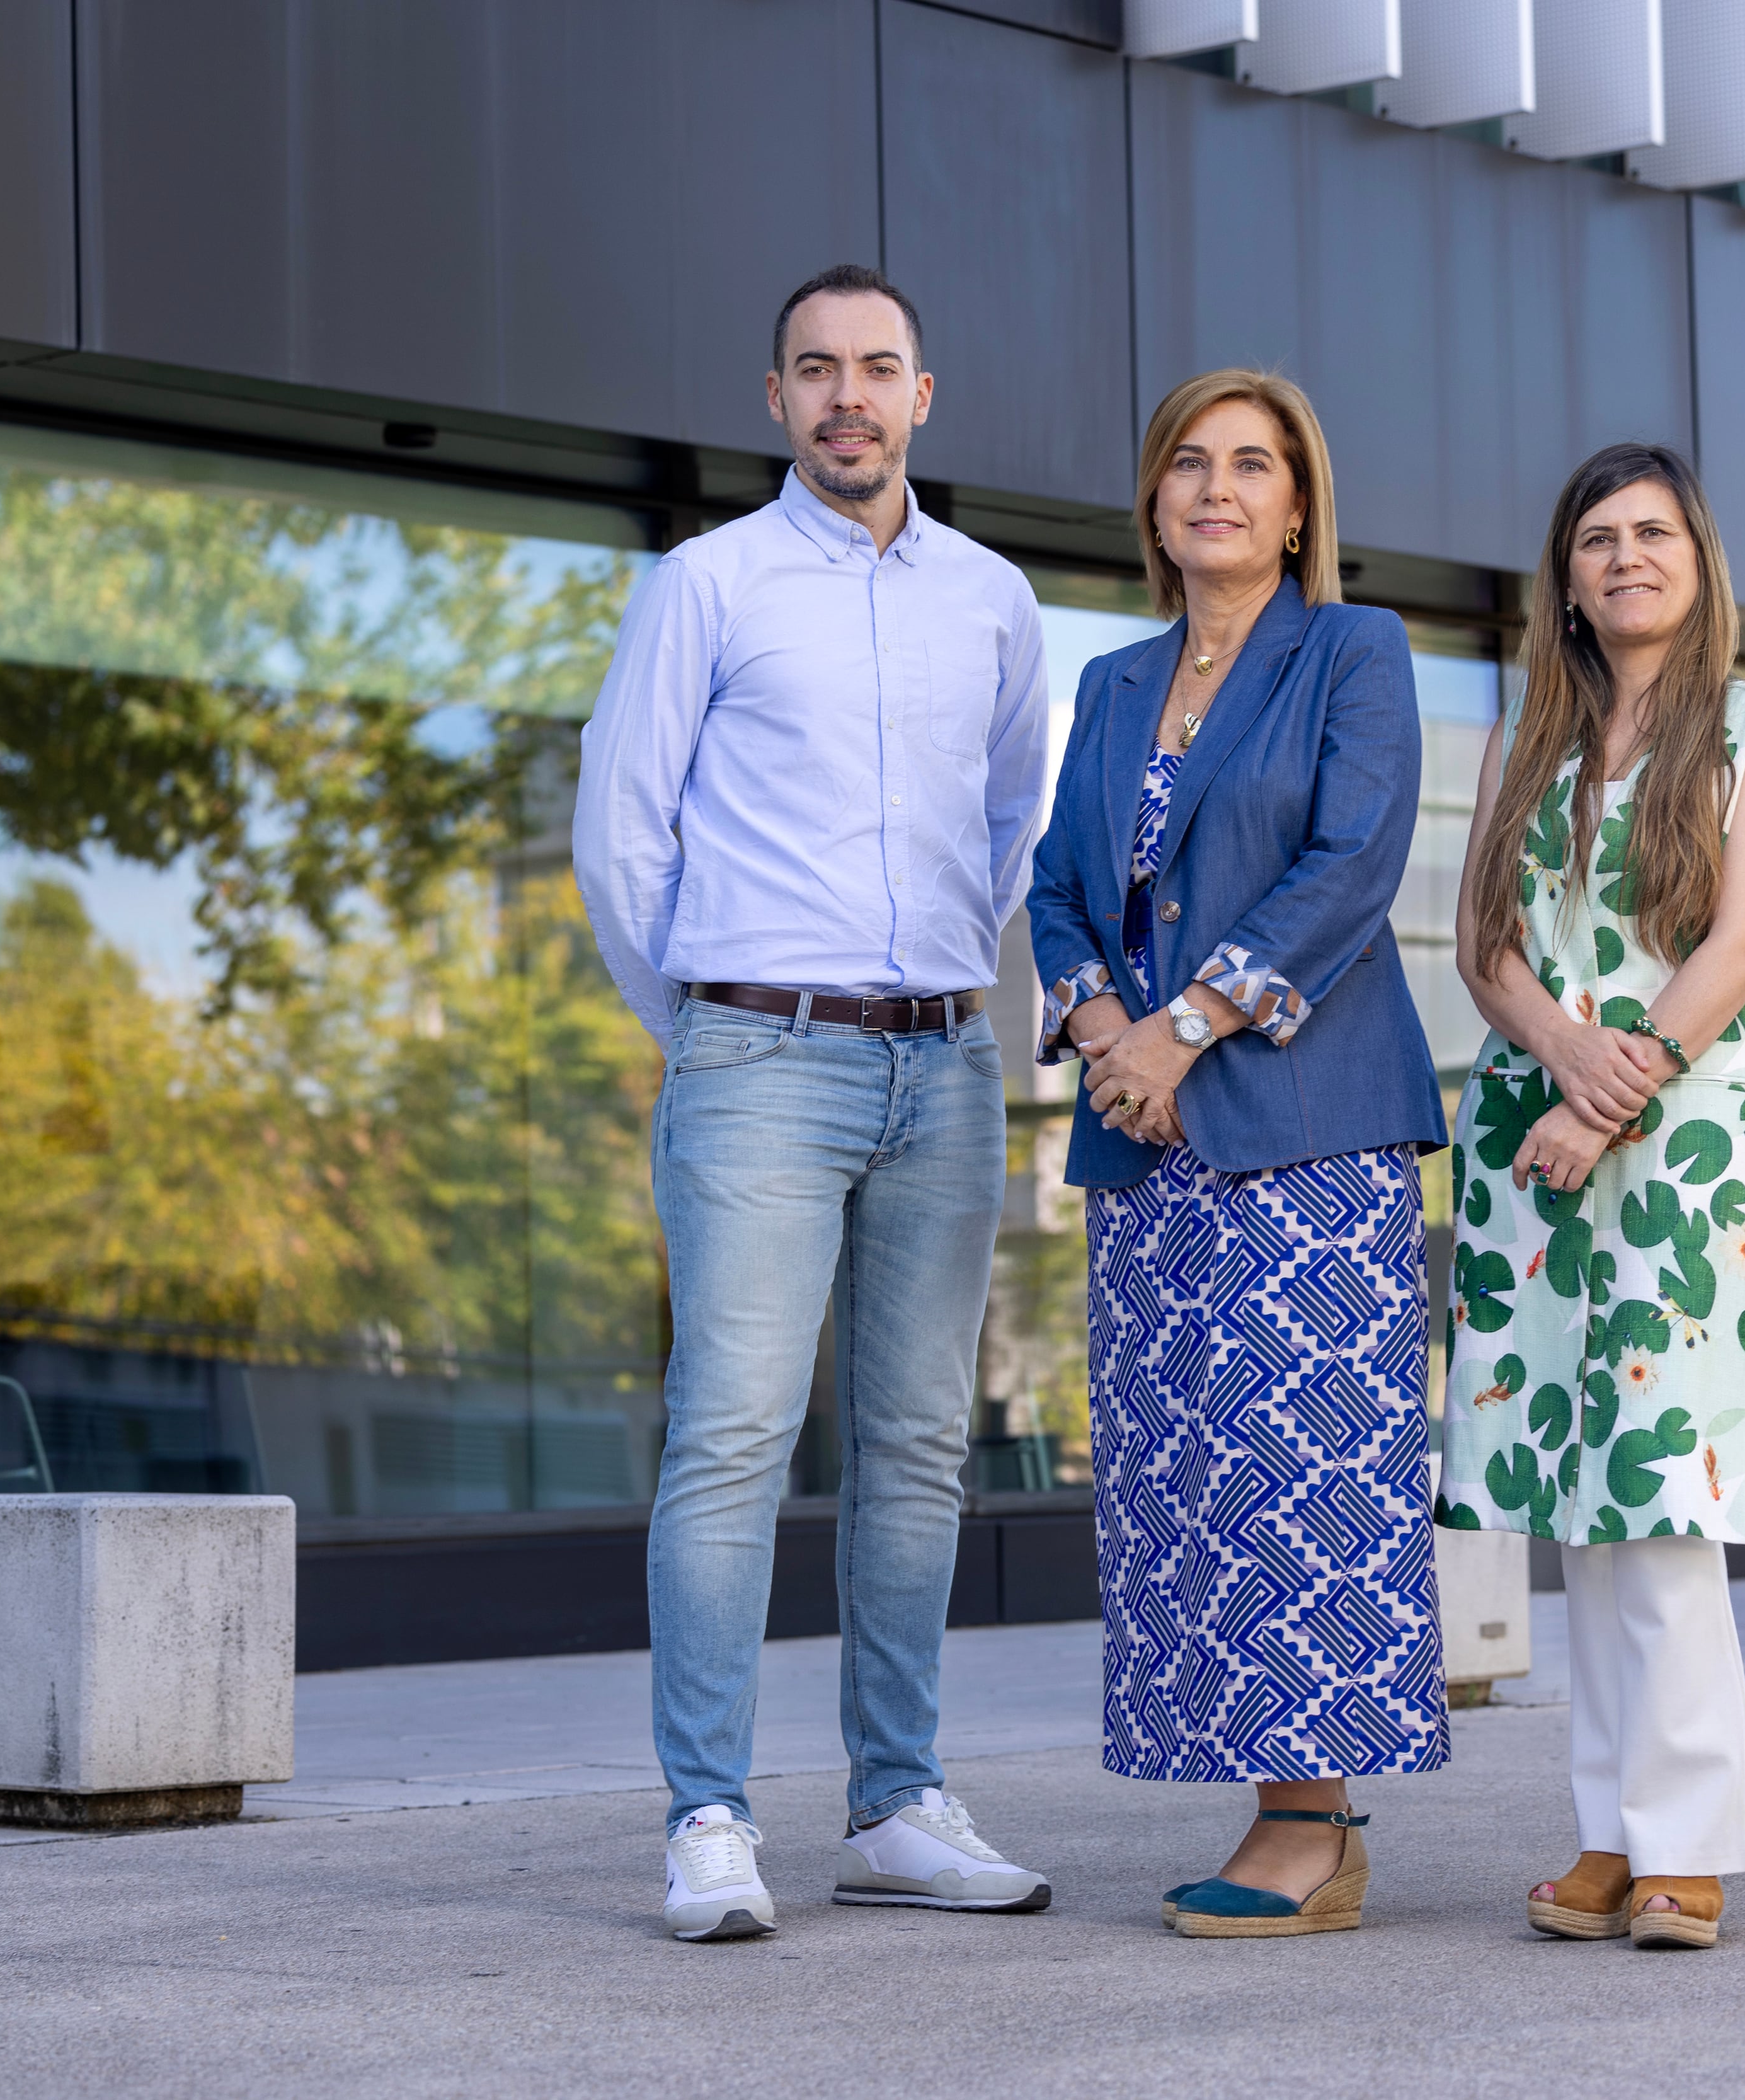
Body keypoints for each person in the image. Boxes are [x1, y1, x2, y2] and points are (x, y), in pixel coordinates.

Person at [573, 264, 1054, 1942]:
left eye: (877, 368)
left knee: (920, 1445)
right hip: (759, 1056)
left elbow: (1011, 826)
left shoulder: (995, 600)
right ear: (773, 399)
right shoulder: (704, 588)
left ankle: (898, 1800)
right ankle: (708, 1815)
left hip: (947, 1061)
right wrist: (715, 1022)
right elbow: (624, 841)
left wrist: (936, 991)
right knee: (732, 1435)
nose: (847, 396)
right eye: (815, 371)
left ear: (926, 392)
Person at [1026, 368, 1447, 1939]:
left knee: (1302, 1476)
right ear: (1154, 502)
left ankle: (1312, 1825)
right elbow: (1058, 889)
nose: (1216, 486)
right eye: (1188, 463)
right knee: (1189, 1480)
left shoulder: (1352, 650)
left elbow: (1354, 864)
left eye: (1251, 465)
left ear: (1296, 507)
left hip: (1303, 1127)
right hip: (1147, 1138)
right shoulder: (1114, 683)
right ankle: (1257, 1795)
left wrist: (1184, 1026)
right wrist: (1098, 1034)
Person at [1436, 440, 1745, 1951]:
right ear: (1567, 578)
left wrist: (1617, 1086)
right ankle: (1611, 1829)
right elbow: (1484, 947)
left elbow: (1738, 941)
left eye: (1652, 531)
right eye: (1597, 538)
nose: (1625, 556)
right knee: (1571, 1502)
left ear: (1696, 558)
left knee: (1659, 1495)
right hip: (1536, 1134)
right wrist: (1564, 1059)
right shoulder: (1523, 733)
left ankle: (1687, 1839)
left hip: (1683, 1147)